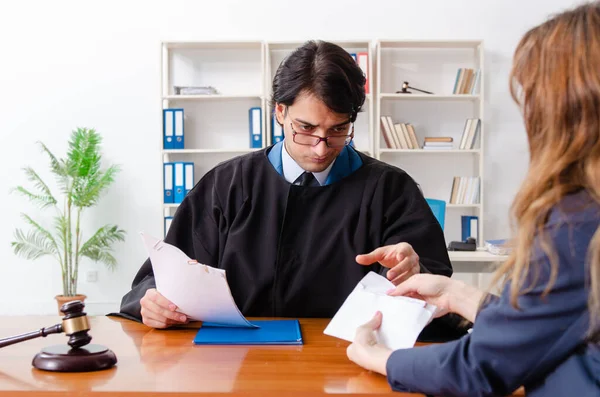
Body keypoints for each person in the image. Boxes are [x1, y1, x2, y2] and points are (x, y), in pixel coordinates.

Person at [346, 3, 600, 396]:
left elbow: (480, 366)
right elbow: (547, 322)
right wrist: (458, 295)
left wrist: (376, 356)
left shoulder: (579, 223)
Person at [117, 40, 456, 332]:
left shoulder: (390, 190)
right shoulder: (226, 185)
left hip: (350, 359)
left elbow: (438, 296)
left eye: (338, 130)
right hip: (234, 364)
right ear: (280, 111)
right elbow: (158, 281)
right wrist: (152, 303)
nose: (321, 148)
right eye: (305, 128)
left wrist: (415, 272)